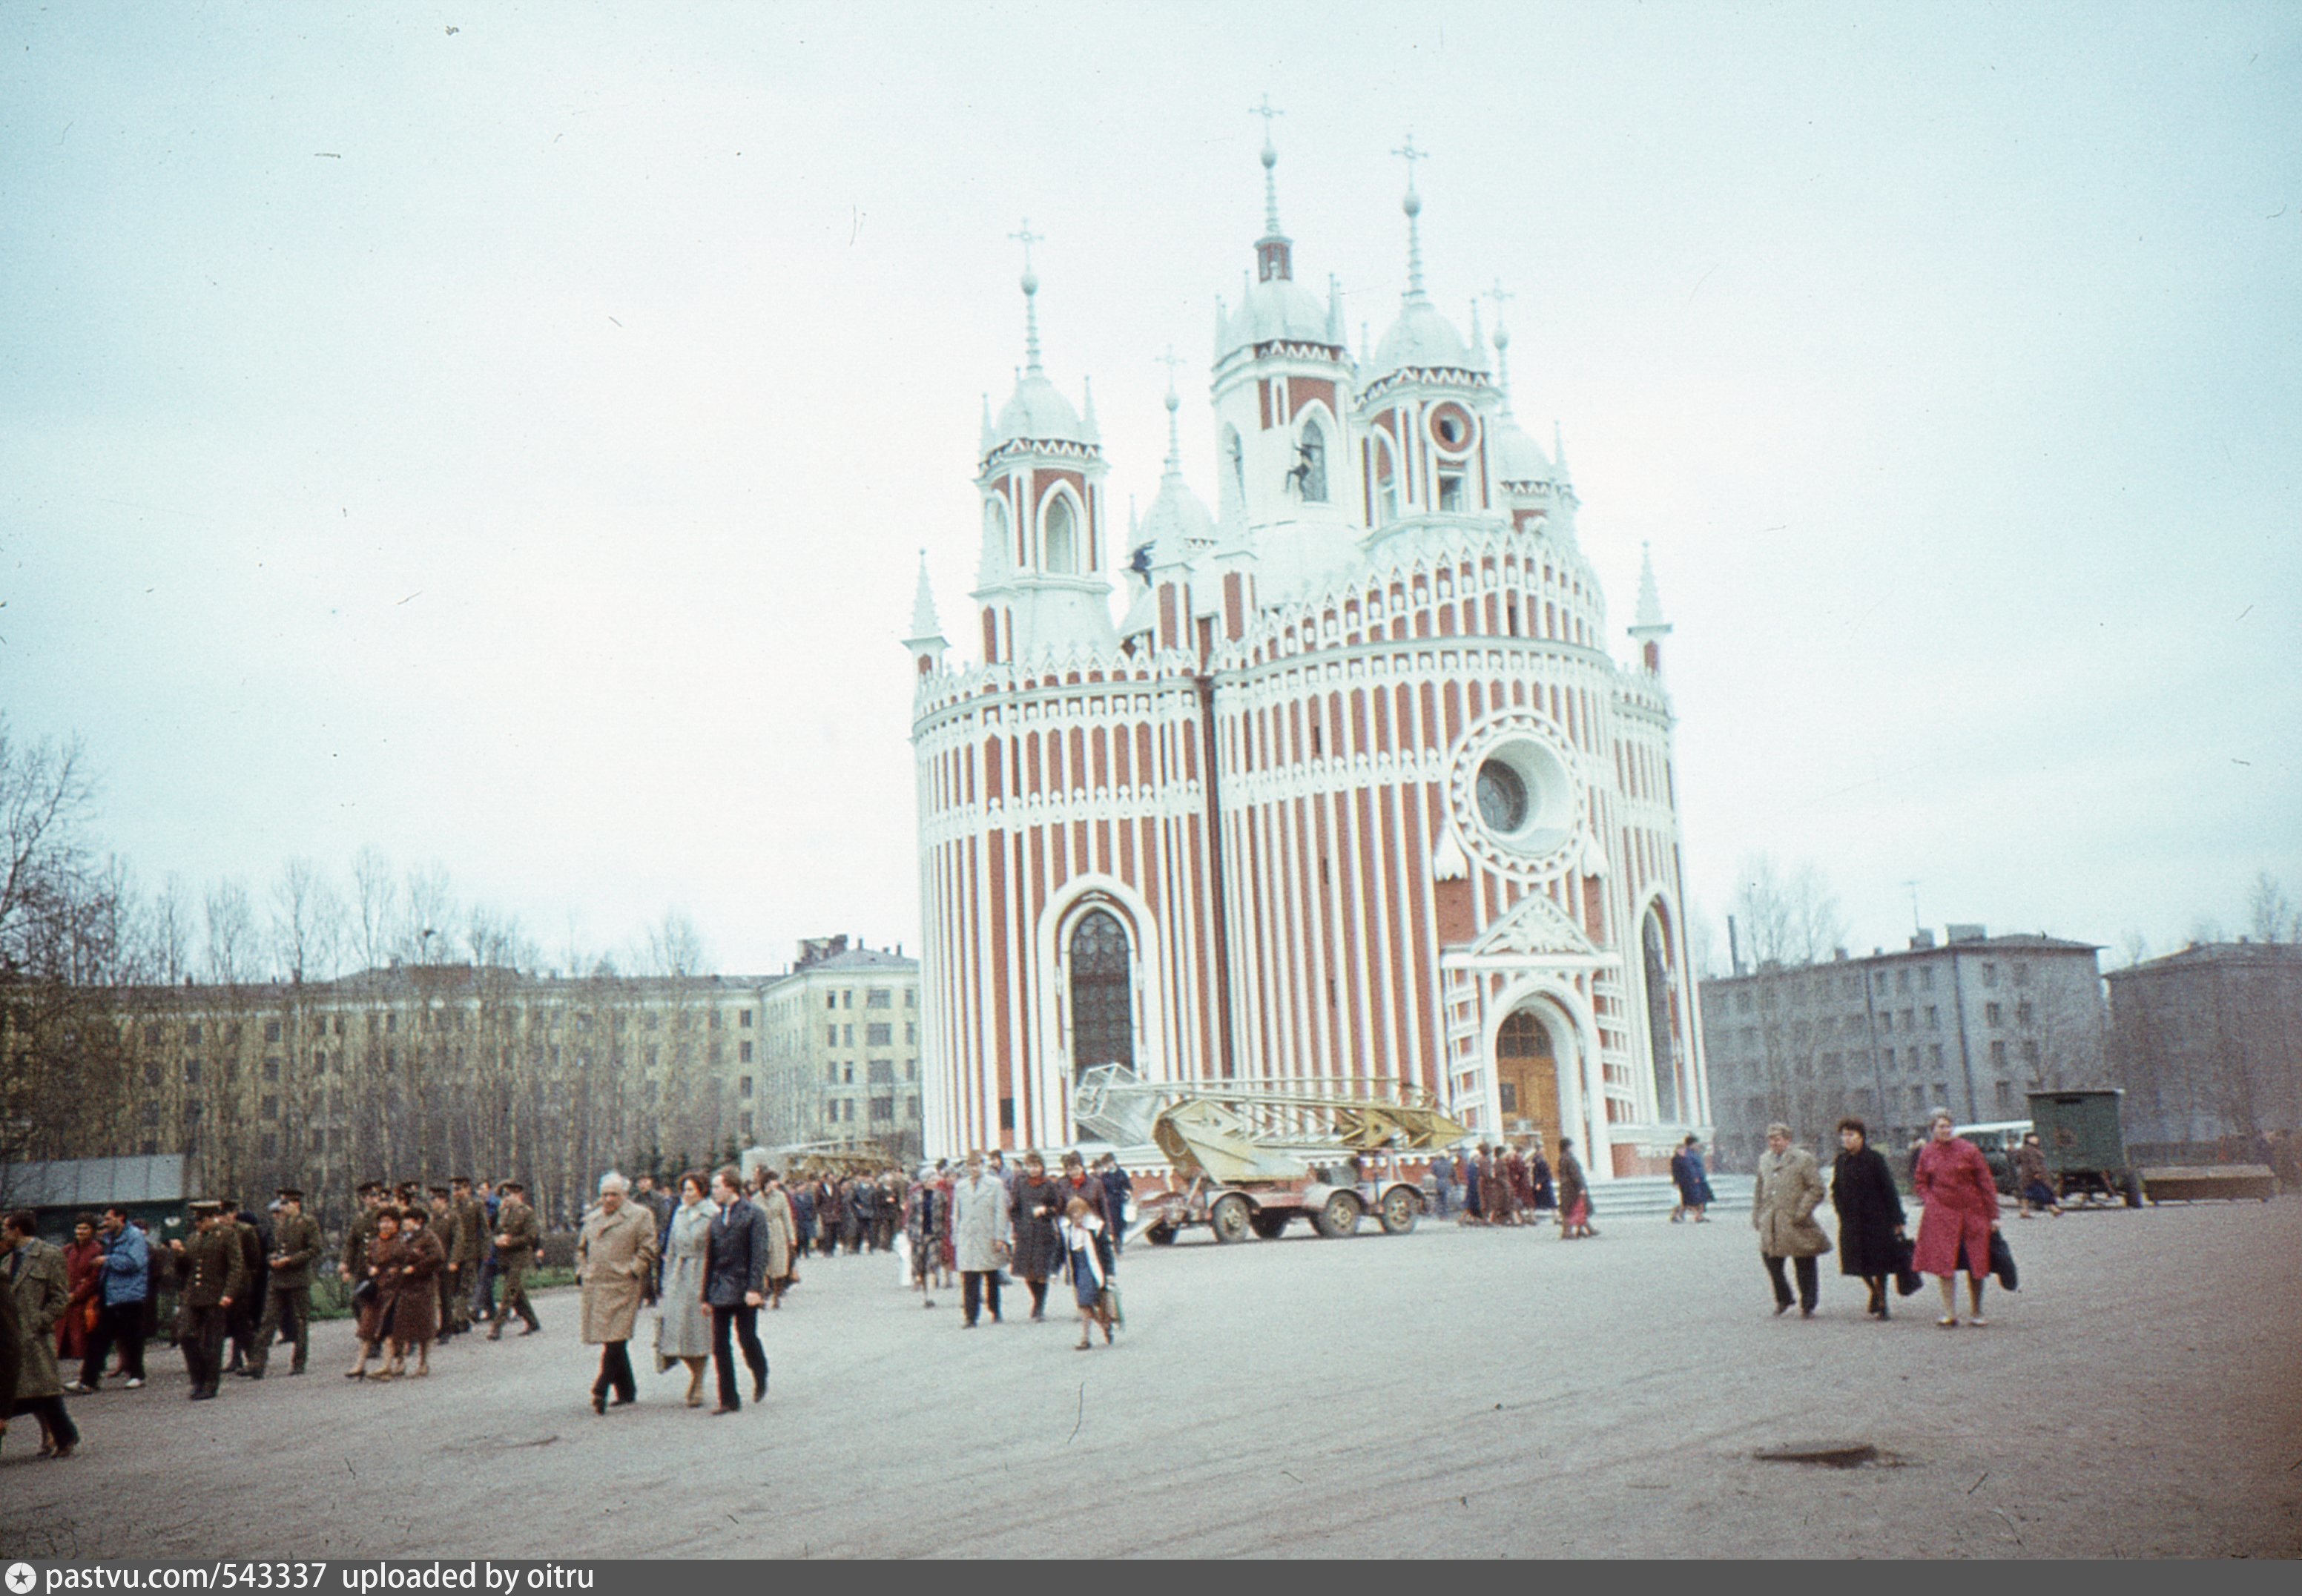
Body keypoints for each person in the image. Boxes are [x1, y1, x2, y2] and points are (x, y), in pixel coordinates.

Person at [576, 1173, 659, 1415]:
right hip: (597, 1284)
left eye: (614, 1194)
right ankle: (627, 1390)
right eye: (604, 1195)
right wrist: (583, 1270)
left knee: (616, 1336)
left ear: (624, 1195)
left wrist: (634, 1270)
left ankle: (601, 1387)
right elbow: (581, 1249)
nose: (609, 1199)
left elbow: (649, 1247)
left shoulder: (640, 1215)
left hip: (624, 1284)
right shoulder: (592, 1219)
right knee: (611, 1336)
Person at [1913, 1109, 2002, 1328]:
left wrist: (1994, 1215)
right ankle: (1949, 1312)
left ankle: (1977, 1311)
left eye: (1948, 1126)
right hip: (1941, 1216)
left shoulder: (1969, 1150)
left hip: (1972, 1214)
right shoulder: (1927, 1152)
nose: (1945, 1130)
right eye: (1940, 1127)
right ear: (1932, 1130)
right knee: (1944, 1264)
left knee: (1976, 1263)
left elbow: (1986, 1183)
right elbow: (1920, 1181)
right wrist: (1930, 1201)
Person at [3, 1210, 79, 1459]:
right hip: (11, 1335)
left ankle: (65, 1436)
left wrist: (41, 1321)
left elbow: (60, 1298)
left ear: (17, 1230)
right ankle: (56, 1434)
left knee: (44, 1390)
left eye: (6, 1227)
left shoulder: (49, 1255)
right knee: (24, 1390)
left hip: (35, 1336)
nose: (3, 1233)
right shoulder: (7, 1261)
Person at [702, 1167, 768, 1414]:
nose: (714, 1192)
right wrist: (705, 1296)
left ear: (731, 1187)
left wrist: (755, 1288)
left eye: (717, 1187)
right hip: (720, 1288)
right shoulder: (717, 1220)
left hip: (743, 1286)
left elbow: (759, 1254)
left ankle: (759, 1370)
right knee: (720, 1345)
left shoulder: (753, 1214)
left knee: (747, 1338)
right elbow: (710, 1259)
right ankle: (728, 1398)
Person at [1830, 1119, 1907, 1320]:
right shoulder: (1841, 1161)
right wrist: (1841, 1210)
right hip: (1852, 1221)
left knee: (1879, 1262)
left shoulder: (1874, 1159)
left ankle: (1882, 1302)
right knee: (1856, 1261)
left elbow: (1888, 1189)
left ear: (1861, 1137)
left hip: (1876, 1219)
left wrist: (1897, 1218)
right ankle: (1874, 1290)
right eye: (1844, 1135)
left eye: (1851, 1135)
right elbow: (1835, 1188)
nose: (1847, 1139)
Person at [1752, 1123, 1831, 1317]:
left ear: (1788, 1140)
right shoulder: (1765, 1160)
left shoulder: (1803, 1159)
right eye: (1770, 1139)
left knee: (1804, 1261)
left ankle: (1808, 1303)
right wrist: (1757, 1215)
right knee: (1771, 1259)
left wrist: (1802, 1211)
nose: (1774, 1143)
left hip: (1796, 1220)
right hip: (1771, 1220)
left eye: (1778, 1138)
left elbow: (1817, 1188)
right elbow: (1759, 1189)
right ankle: (1784, 1298)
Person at [67, 1207, 149, 1394]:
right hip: (111, 1294)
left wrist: (107, 1260)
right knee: (99, 1337)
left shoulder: (135, 1237)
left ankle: (137, 1374)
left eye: (108, 1218)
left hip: (129, 1295)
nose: (105, 1222)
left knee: (131, 1337)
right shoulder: (110, 1237)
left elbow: (134, 1263)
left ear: (120, 1218)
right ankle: (88, 1379)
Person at [174, 1200, 248, 1400]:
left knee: (212, 1342)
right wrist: (180, 1255)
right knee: (185, 1335)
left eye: (200, 1220)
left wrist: (229, 1293)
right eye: (196, 1221)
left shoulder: (226, 1235)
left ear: (210, 1218)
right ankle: (197, 1377)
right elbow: (185, 1270)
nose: (197, 1225)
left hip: (215, 1296)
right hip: (193, 1296)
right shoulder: (193, 1239)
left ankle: (209, 1383)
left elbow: (236, 1266)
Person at [655, 1173, 716, 1408]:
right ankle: (693, 1372)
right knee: (674, 1331)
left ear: (702, 1190)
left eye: (691, 1190)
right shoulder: (679, 1213)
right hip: (679, 1275)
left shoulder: (712, 1214)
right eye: (684, 1190)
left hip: (701, 1273)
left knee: (697, 1332)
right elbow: (670, 1247)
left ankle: (698, 1381)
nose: (686, 1195)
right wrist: (666, 1279)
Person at [248, 1187, 321, 1377]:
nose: (282, 1208)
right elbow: (272, 1248)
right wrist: (272, 1259)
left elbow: (314, 1249)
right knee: (267, 1321)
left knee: (300, 1321)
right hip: (278, 1280)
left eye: (285, 1203)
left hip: (297, 1279)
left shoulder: (307, 1223)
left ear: (296, 1204)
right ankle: (257, 1363)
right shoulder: (280, 1224)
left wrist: (291, 1260)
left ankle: (299, 1361)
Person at [952, 1151, 1012, 1328]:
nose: (974, 1169)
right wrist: (956, 1235)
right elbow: (956, 1213)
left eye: (977, 1165)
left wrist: (1000, 1236)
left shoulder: (994, 1185)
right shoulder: (960, 1186)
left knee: (991, 1274)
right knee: (969, 1276)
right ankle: (971, 1316)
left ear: (983, 1166)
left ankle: (995, 1310)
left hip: (987, 1234)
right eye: (970, 1166)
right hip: (967, 1236)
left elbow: (1001, 1212)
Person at [389, 1206, 445, 1378]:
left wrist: (416, 1268)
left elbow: (438, 1257)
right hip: (403, 1286)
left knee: (424, 1326)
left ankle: (423, 1362)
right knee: (397, 1324)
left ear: (418, 1221)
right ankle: (399, 1361)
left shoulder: (428, 1237)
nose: (404, 1223)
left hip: (423, 1286)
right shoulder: (401, 1237)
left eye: (408, 1220)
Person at [348, 1207, 403, 1380]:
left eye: (389, 1222)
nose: (385, 1226)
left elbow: (406, 1262)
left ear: (396, 1224)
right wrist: (370, 1268)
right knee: (367, 1327)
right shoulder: (374, 1243)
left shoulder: (401, 1242)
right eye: (382, 1222)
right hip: (376, 1290)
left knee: (389, 1330)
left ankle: (389, 1365)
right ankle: (360, 1365)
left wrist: (395, 1271)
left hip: (395, 1291)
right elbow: (368, 1260)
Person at [1058, 1196, 1116, 1351]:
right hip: (1077, 1268)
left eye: (1080, 1213)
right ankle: (1104, 1325)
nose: (1077, 1217)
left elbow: (1106, 1252)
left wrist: (1110, 1273)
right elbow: (1061, 1251)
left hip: (1093, 1269)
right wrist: (1054, 1270)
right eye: (1074, 1214)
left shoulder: (1095, 1228)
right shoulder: (1067, 1230)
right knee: (1086, 1305)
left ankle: (1085, 1338)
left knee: (1085, 1303)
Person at [1011, 1154, 1065, 1322]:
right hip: (1026, 1234)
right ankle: (1036, 1298)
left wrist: (1045, 1211)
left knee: (1041, 1271)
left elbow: (1058, 1207)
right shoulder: (1021, 1185)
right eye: (1030, 1166)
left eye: (1037, 1165)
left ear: (1042, 1167)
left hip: (1043, 1232)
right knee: (1028, 1272)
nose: (1033, 1169)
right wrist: (1018, 1226)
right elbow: (1015, 1209)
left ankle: (1039, 1305)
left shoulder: (1049, 1185)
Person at [487, 1181, 542, 1339]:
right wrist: (497, 1239)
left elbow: (531, 1236)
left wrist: (511, 1241)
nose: (505, 1198)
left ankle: (496, 1326)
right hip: (505, 1258)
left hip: (520, 1257)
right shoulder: (503, 1212)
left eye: (508, 1194)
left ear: (518, 1194)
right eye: (504, 1195)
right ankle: (532, 1321)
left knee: (509, 1292)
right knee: (517, 1293)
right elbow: (494, 1230)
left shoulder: (526, 1212)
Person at [751, 1169, 799, 1309]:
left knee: (778, 1265)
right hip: (762, 1232)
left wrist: (791, 1237)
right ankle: (763, 1294)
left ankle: (777, 1295)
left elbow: (787, 1217)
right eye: (774, 1180)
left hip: (778, 1231)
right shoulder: (756, 1198)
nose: (777, 1183)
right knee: (762, 1265)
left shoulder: (781, 1197)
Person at [904, 1170, 946, 1308]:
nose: (933, 1183)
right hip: (918, 1235)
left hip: (935, 1234)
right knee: (920, 1265)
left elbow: (946, 1214)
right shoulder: (915, 1197)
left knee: (932, 1264)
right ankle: (925, 1294)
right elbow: (910, 1216)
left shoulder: (941, 1196)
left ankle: (931, 1297)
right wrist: (909, 1231)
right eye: (930, 1180)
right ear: (924, 1181)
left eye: (935, 1180)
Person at [2013, 1132, 2065, 1219]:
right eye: (2033, 1138)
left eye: (2036, 1137)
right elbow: (2033, 1162)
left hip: (2027, 1175)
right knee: (2044, 1192)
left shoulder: (2025, 1149)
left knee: (2028, 1193)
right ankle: (2054, 1209)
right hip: (2033, 1175)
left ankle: (2024, 1211)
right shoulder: (2030, 1150)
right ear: (2028, 1139)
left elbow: (2018, 1161)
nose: (2036, 1139)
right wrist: (2037, 1172)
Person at [1555, 1138, 1595, 1238]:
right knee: (1574, 1208)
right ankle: (1568, 1232)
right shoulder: (1569, 1159)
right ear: (1568, 1147)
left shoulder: (1562, 1158)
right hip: (1572, 1188)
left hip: (1566, 1187)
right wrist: (1581, 1186)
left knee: (1576, 1208)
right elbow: (1575, 1174)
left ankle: (1583, 1228)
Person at [1097, 1155, 1134, 1254]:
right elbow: (1101, 1189)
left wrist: (1128, 1194)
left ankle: (1119, 1239)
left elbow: (1128, 1186)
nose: (1108, 1165)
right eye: (1106, 1164)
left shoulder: (1122, 1173)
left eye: (1110, 1163)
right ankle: (1115, 1240)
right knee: (1112, 1221)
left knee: (1121, 1222)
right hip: (1110, 1201)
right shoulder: (1104, 1176)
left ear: (1114, 1162)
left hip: (1120, 1200)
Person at [1428, 1153, 1455, 1219]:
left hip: (1438, 1182)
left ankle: (1440, 1214)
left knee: (1438, 1199)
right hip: (1446, 1182)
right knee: (1445, 1199)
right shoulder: (1450, 1163)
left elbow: (1432, 1173)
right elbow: (1453, 1174)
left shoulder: (1435, 1164)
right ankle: (1445, 1215)